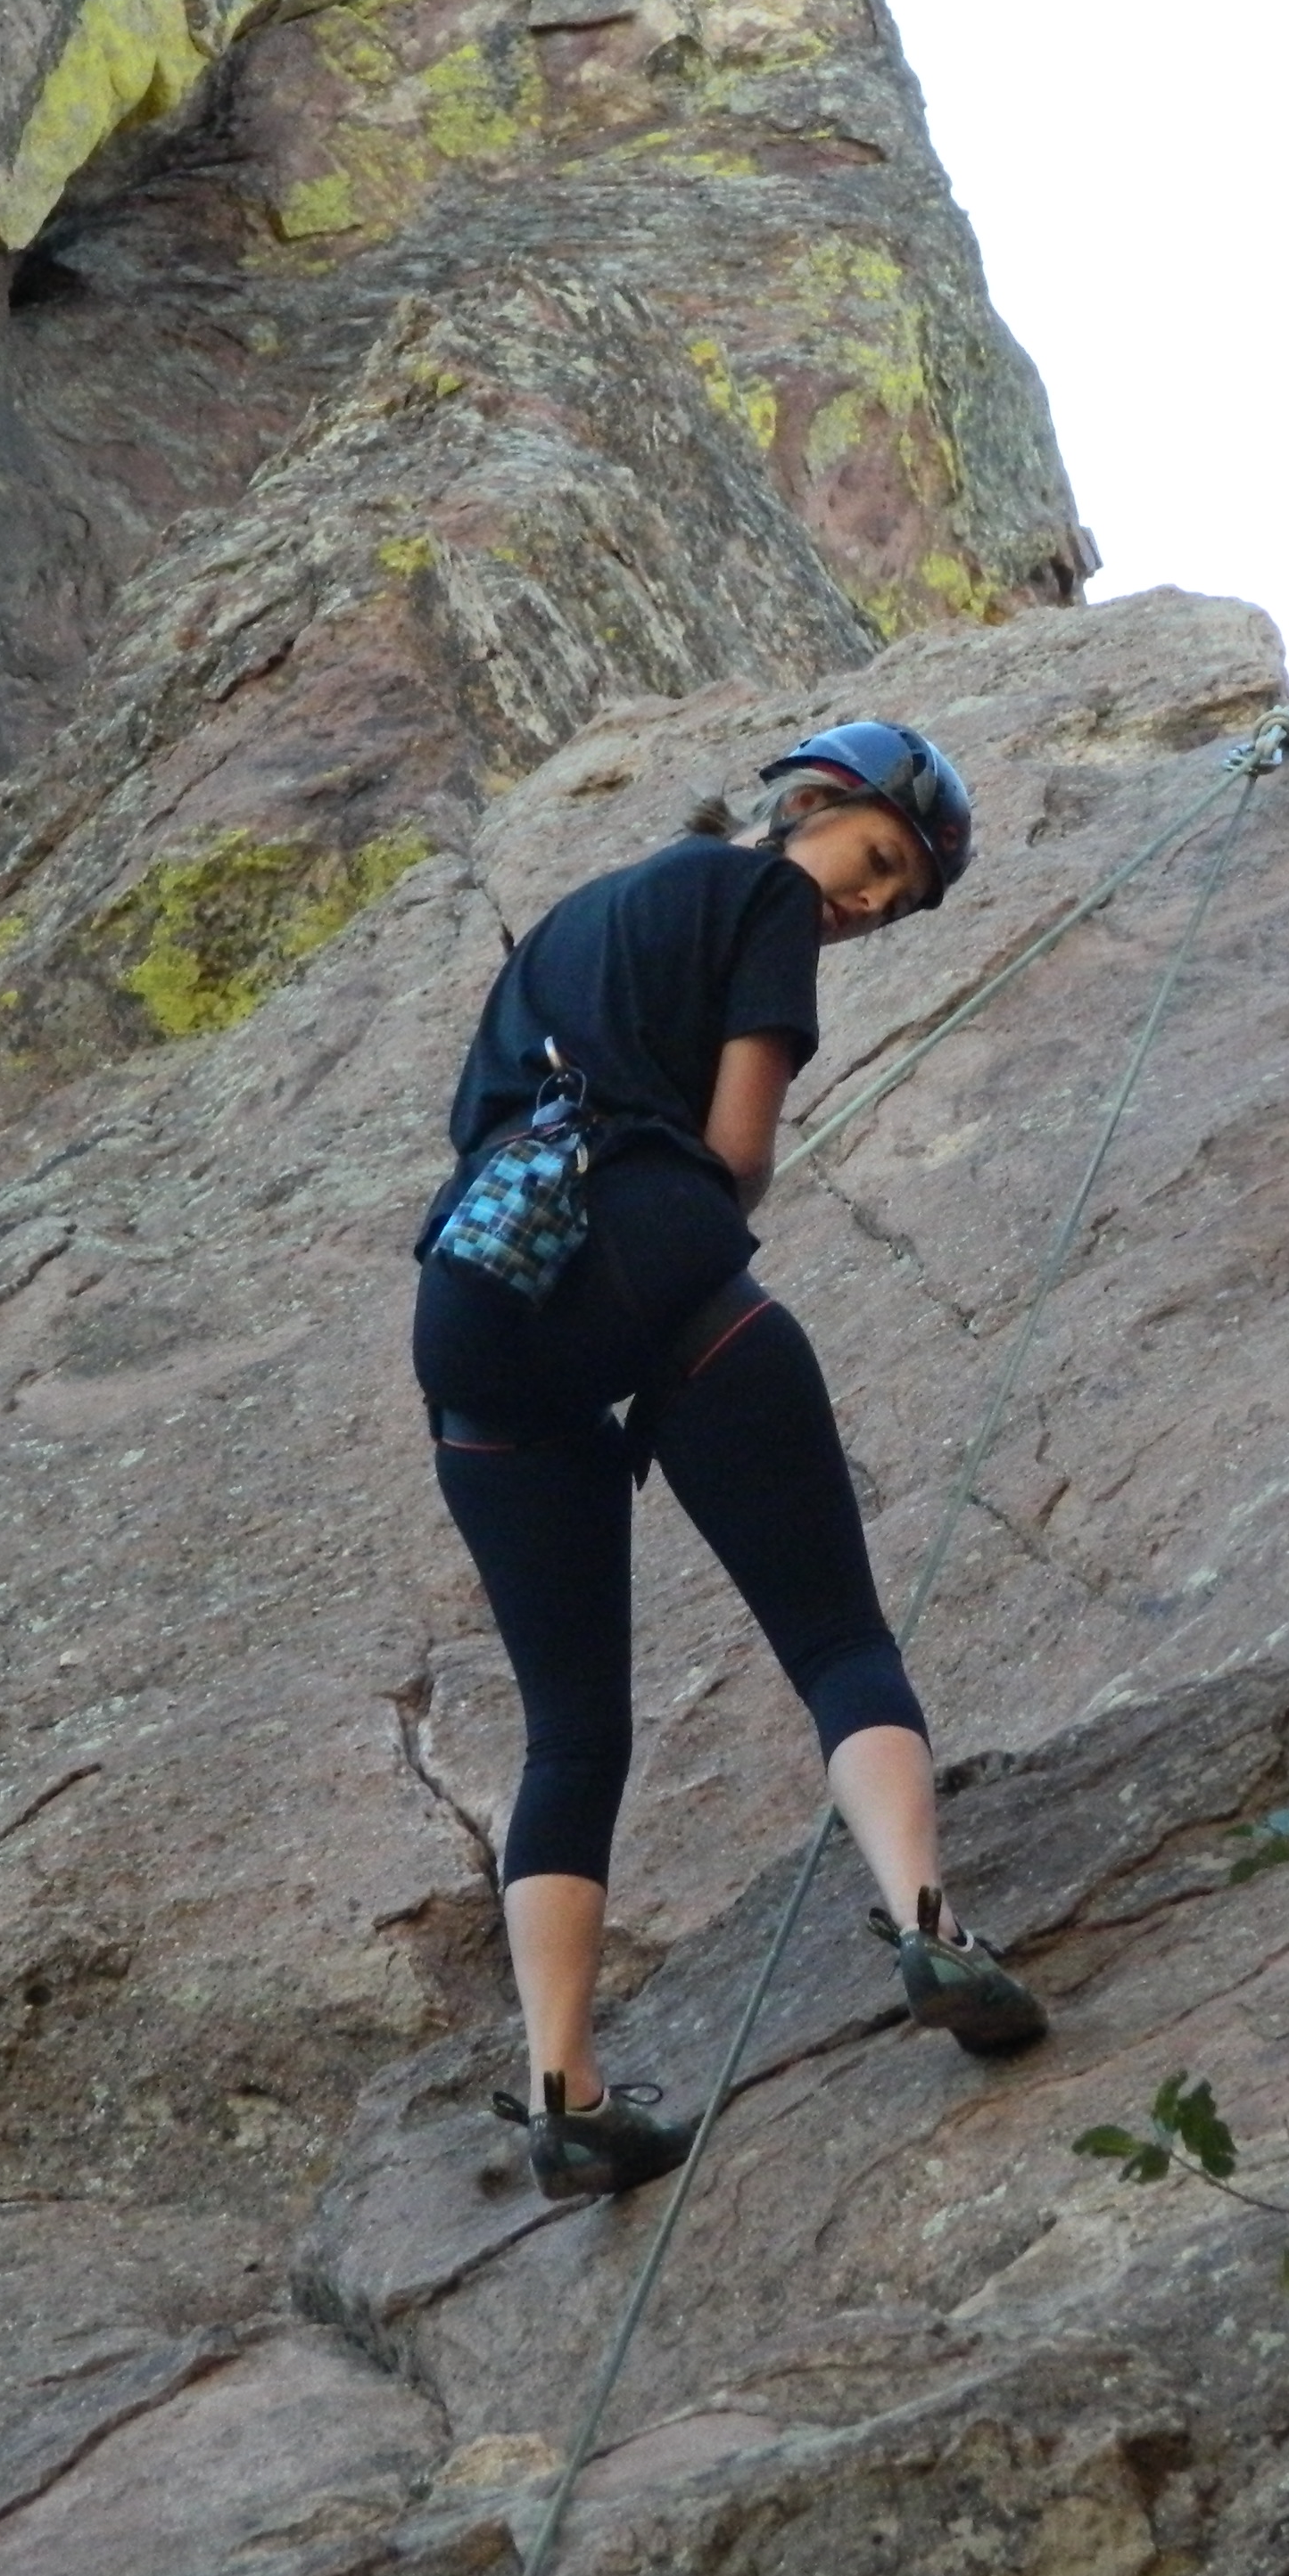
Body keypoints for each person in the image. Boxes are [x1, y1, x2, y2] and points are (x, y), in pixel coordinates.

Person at [415, 720, 1047, 2202]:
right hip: (644, 1258)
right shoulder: (755, 892)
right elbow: (740, 1143)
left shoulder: (565, 929)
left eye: (899, 896)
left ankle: (562, 2091)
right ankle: (930, 1930)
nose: (873, 903)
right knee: (834, 1629)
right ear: (810, 807)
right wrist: (690, 1231)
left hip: (475, 1317)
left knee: (573, 1733)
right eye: (880, 860)